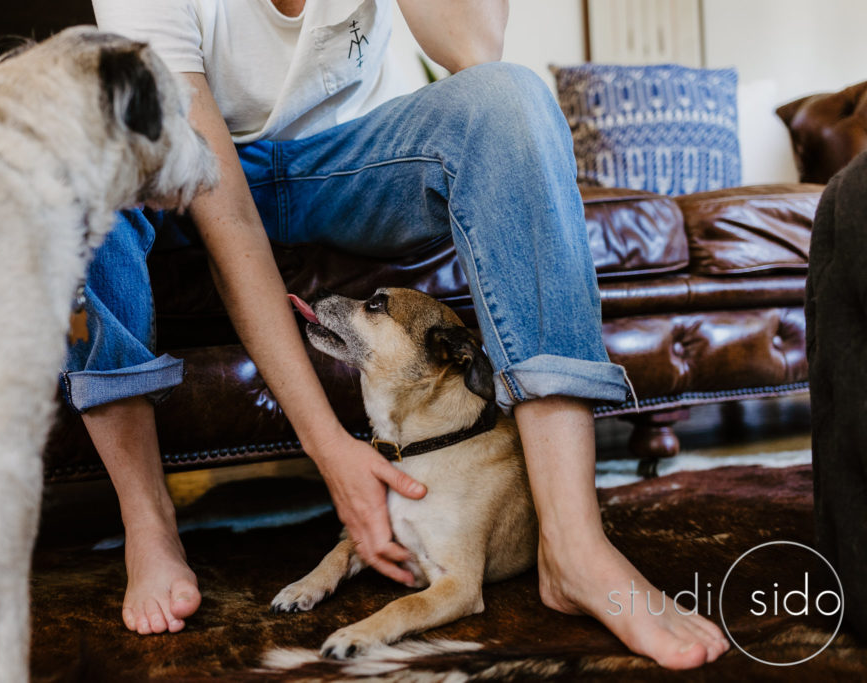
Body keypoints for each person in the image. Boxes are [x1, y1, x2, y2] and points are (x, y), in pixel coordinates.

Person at [70, 0, 730, 669]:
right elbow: (229, 218)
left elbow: (477, 50)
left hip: (351, 163)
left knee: (511, 99)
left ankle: (574, 543)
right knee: (86, 134)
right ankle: (147, 518)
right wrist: (329, 445)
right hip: (198, 171)